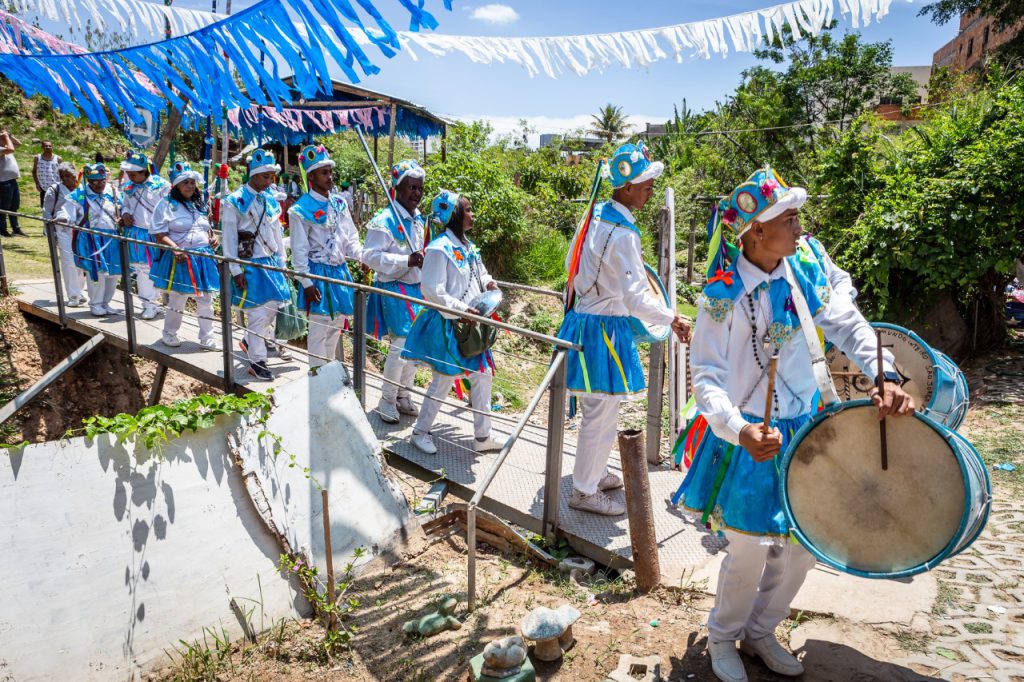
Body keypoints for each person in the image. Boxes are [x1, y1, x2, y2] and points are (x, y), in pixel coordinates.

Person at [675, 167, 915, 682]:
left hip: (805, 429)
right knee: (747, 549)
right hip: (748, 438)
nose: (800, 226)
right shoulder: (720, 293)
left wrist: (885, 372)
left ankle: (761, 631)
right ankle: (723, 637)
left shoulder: (803, 270)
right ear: (756, 231)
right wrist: (738, 428)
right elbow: (706, 375)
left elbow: (847, 323)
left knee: (805, 547)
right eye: (789, 219)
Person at [556, 141, 690, 516]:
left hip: (583, 320)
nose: (650, 190)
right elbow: (636, 297)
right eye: (646, 184)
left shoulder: (592, 216)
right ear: (627, 187)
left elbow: (570, 264)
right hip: (605, 328)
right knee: (600, 412)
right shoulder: (625, 234)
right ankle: (584, 491)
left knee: (602, 408)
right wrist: (672, 318)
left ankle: (594, 474)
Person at [401, 190, 503, 455]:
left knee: (482, 376)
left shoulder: (469, 247)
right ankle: (419, 432)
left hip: (472, 324)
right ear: (454, 215)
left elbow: (479, 274)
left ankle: (483, 436)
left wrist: (489, 282)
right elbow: (432, 289)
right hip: (449, 324)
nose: (472, 214)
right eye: (467, 210)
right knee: (443, 380)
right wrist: (461, 309)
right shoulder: (439, 248)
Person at [363, 159, 427, 423]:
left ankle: (403, 394)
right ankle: (386, 400)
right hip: (393, 288)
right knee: (399, 346)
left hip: (415, 289)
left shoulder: (418, 219)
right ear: (397, 188)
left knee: (414, 346)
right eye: (411, 187)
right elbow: (370, 257)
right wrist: (405, 261)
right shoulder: (384, 220)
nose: (416, 193)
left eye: (420, 188)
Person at [288, 145, 363, 370]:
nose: (329, 177)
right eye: (324, 173)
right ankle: (316, 376)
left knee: (335, 328)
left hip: (340, 273)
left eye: (330, 171)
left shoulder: (340, 203)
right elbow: (299, 250)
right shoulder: (300, 210)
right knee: (318, 330)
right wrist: (306, 282)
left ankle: (327, 373)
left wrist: (362, 257)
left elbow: (351, 238)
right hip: (317, 274)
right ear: (311, 176)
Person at [221, 150, 292, 381]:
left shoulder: (270, 200)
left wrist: (282, 261)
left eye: (271, 177)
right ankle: (257, 361)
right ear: (253, 174)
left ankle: (248, 340)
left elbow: (277, 233)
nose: (269, 181)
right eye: (265, 177)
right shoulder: (234, 201)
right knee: (258, 313)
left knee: (273, 308)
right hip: (249, 263)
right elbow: (229, 237)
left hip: (270, 263)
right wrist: (235, 269)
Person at [149, 161, 220, 350]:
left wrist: (213, 238)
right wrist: (174, 248)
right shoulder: (165, 204)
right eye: (185, 182)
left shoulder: (199, 204)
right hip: (180, 258)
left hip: (203, 258)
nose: (190, 186)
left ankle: (207, 338)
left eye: (192, 182)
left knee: (206, 299)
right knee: (178, 298)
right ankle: (169, 333)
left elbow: (205, 227)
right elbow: (158, 233)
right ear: (176, 185)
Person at [55, 163, 124, 317]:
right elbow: (66, 211)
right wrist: (63, 218)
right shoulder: (79, 194)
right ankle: (96, 304)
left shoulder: (113, 192)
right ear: (89, 181)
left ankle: (106, 302)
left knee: (113, 272)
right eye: (94, 181)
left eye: (102, 181)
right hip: (91, 239)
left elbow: (123, 208)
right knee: (96, 272)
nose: (99, 184)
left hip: (112, 238)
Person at [119, 150, 170, 320]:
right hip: (138, 233)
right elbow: (125, 204)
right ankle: (148, 304)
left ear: (144, 171)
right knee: (143, 270)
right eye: (129, 174)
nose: (130, 177)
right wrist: (125, 213)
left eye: (134, 174)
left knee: (158, 269)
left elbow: (170, 208)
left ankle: (156, 302)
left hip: (158, 234)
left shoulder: (162, 185)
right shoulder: (128, 187)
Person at [43, 162, 87, 307]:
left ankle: (80, 291)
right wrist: (51, 233)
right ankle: (73, 295)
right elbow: (47, 212)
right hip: (62, 230)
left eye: (67, 175)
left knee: (81, 262)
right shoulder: (54, 190)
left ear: (74, 175)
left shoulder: (82, 189)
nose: (65, 178)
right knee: (68, 262)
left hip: (81, 231)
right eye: (62, 176)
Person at [0, 129, 24, 237]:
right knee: (4, 207)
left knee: (14, 206)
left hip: (12, 180)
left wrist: (9, 135)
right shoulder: (3, 149)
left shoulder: (6, 146)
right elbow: (11, 149)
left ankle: (16, 228)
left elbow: (19, 144)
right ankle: (2, 229)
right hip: (3, 182)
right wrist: (5, 137)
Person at [32, 140, 62, 209]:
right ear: (42, 147)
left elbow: (62, 173)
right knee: (44, 207)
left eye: (50, 146)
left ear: (52, 147)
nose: (48, 147)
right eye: (46, 146)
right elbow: (34, 171)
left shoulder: (58, 159)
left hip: (55, 186)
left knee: (56, 207)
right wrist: (37, 184)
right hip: (43, 186)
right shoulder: (37, 158)